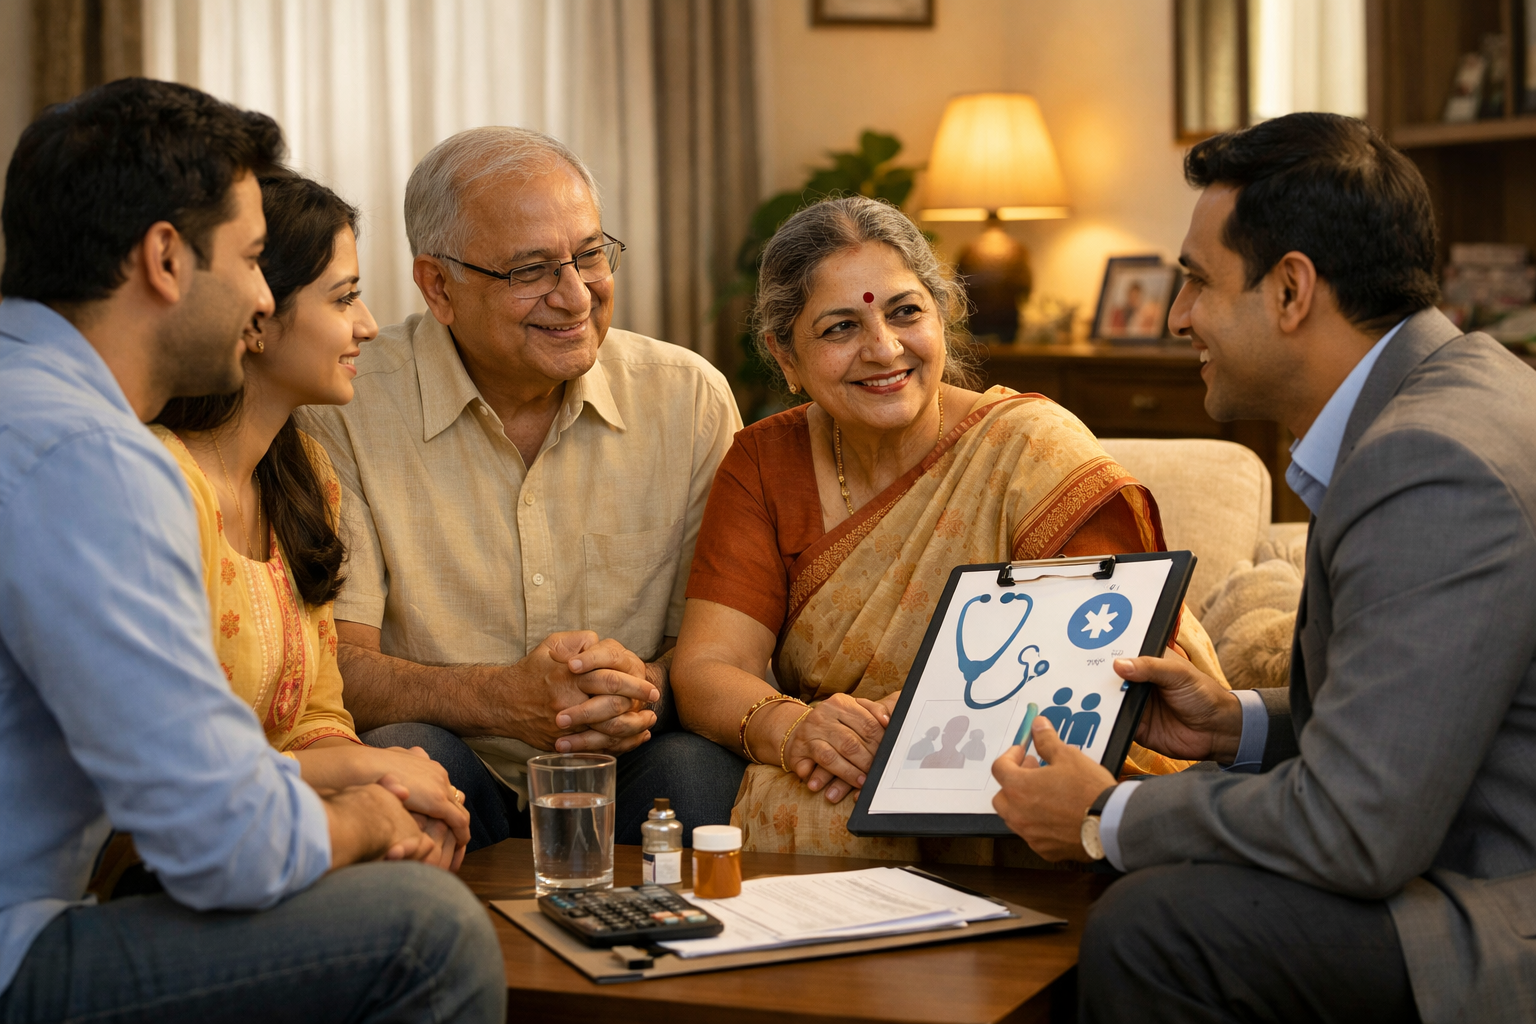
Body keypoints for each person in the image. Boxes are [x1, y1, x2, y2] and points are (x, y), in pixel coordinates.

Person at [990, 112, 1536, 1023]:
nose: (1177, 316)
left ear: (1290, 290)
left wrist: (1107, 813)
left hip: (1502, 905)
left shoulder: (1430, 462)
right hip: (1472, 849)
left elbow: (1358, 827)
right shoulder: (1462, 389)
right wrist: (1235, 725)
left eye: (1198, 281)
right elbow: (1422, 717)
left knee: (1154, 927)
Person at [0, 79, 501, 1022]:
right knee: (424, 928)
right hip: (18, 947)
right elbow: (226, 843)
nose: (262, 296)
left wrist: (349, 778)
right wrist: (367, 817)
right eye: (250, 258)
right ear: (164, 259)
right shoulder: (93, 460)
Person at [671, 195, 1227, 861]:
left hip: (1037, 755)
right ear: (785, 356)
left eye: (906, 312)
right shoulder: (764, 464)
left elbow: (1098, 657)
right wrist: (793, 729)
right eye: (841, 328)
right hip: (842, 767)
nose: (884, 349)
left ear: (943, 315)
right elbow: (709, 666)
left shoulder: (1031, 450)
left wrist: (922, 719)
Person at [298, 126, 746, 850]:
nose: (575, 296)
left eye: (590, 254)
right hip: (450, 758)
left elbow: (716, 648)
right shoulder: (346, 406)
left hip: (628, 762)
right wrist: (500, 700)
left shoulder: (687, 397)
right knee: (399, 756)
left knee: (695, 770)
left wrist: (637, 691)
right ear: (438, 286)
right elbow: (335, 665)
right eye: (531, 270)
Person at [152, 173, 469, 870]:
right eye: (344, 297)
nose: (368, 325)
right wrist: (368, 773)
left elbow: (317, 715)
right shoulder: (161, 486)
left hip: (287, 825)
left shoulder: (306, 477)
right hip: (183, 853)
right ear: (257, 315)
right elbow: (175, 769)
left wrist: (390, 796)